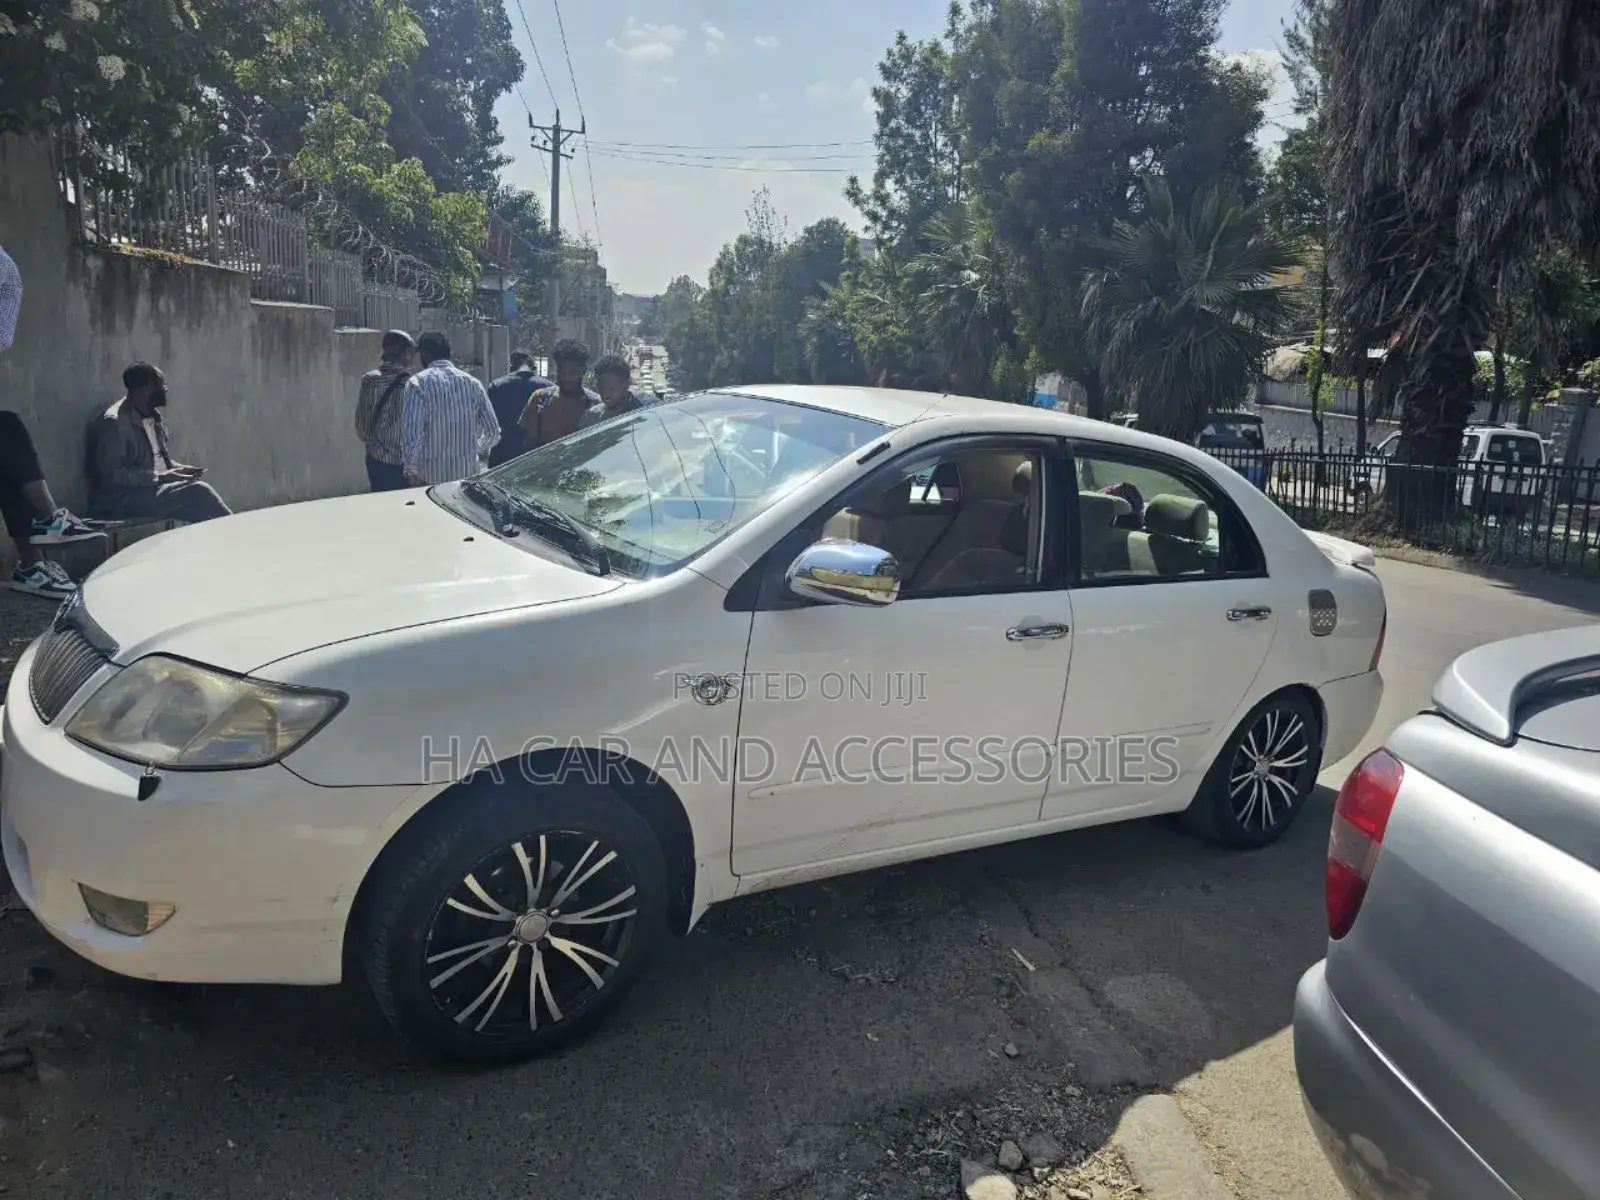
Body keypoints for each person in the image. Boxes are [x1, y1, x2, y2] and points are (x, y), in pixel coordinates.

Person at [89, 363, 232, 524]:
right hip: (119, 501)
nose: (165, 389)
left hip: (149, 491)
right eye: (161, 384)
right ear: (147, 387)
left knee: (199, 507)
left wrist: (176, 469)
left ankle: (228, 542)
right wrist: (161, 477)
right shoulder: (115, 423)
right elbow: (112, 477)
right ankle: (238, 535)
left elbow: (155, 463)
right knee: (198, 492)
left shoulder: (152, 417)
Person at [401, 332, 500, 485]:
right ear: (449, 353)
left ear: (425, 354)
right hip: (467, 478)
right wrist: (474, 448)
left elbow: (413, 435)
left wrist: (410, 470)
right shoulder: (473, 383)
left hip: (430, 479)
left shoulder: (417, 384)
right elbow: (493, 432)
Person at [355, 330, 416, 491]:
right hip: (407, 464)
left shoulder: (371, 380)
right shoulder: (414, 384)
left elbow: (362, 428)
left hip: (378, 460)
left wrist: (375, 445)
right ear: (406, 354)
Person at [518, 338, 598, 450]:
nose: (566, 377)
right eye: (562, 371)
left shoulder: (595, 405)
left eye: (572, 372)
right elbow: (527, 445)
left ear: (583, 371)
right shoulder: (539, 400)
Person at [486, 349, 551, 466]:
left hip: (502, 457)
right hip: (536, 457)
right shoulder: (548, 387)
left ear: (511, 367)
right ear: (533, 367)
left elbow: (490, 424)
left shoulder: (497, 386)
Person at [582, 354, 652, 427]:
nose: (605, 394)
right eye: (600, 388)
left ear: (626, 385)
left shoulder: (648, 409)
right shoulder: (591, 418)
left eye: (611, 389)